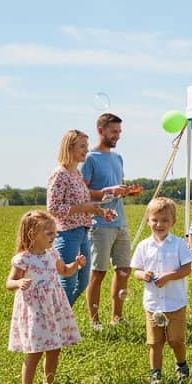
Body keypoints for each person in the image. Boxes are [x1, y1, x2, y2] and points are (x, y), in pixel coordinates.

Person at [6, 210, 86, 384]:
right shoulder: (24, 258)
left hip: (53, 306)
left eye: (55, 232)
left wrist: (76, 265)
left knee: (54, 348)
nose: (55, 236)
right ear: (33, 234)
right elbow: (9, 282)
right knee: (35, 351)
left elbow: (65, 271)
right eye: (49, 233)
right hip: (35, 309)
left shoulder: (51, 253)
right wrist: (19, 283)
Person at [131, 197, 192, 384]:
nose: (159, 224)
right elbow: (136, 271)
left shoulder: (179, 244)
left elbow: (186, 269)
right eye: (155, 220)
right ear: (148, 220)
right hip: (153, 304)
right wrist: (144, 275)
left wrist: (168, 276)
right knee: (154, 342)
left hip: (175, 303)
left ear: (173, 222)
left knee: (175, 339)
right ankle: (155, 374)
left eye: (165, 220)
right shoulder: (143, 246)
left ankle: (181, 365)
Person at [47, 129, 112, 307]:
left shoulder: (77, 174)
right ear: (69, 148)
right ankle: (57, 324)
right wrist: (84, 207)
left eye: (87, 146)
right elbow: (53, 207)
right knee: (67, 282)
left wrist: (100, 211)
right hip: (67, 234)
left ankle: (60, 316)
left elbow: (83, 205)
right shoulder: (60, 174)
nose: (86, 150)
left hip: (83, 232)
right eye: (82, 146)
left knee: (83, 281)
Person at [82, 113, 132, 329]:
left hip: (120, 222)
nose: (117, 136)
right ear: (100, 130)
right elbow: (81, 192)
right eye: (113, 132)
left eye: (119, 132)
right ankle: (94, 321)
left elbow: (116, 188)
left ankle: (117, 319)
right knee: (99, 272)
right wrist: (105, 191)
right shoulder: (90, 159)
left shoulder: (118, 158)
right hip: (99, 224)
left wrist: (127, 190)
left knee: (123, 270)